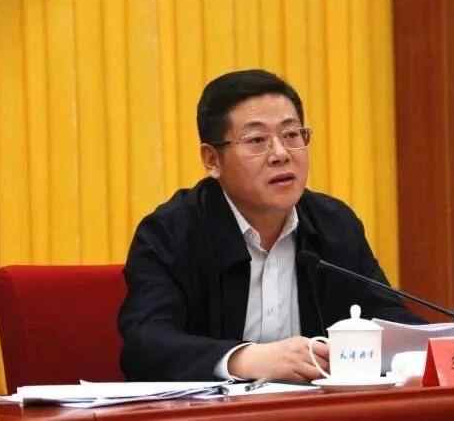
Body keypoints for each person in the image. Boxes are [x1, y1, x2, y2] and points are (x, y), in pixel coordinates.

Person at [118, 69, 423, 382]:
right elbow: (145, 345)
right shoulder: (171, 232)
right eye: (257, 140)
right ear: (212, 160)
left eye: (291, 135)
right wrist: (243, 359)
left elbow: (389, 318)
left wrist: (430, 348)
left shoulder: (334, 224)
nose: (280, 154)